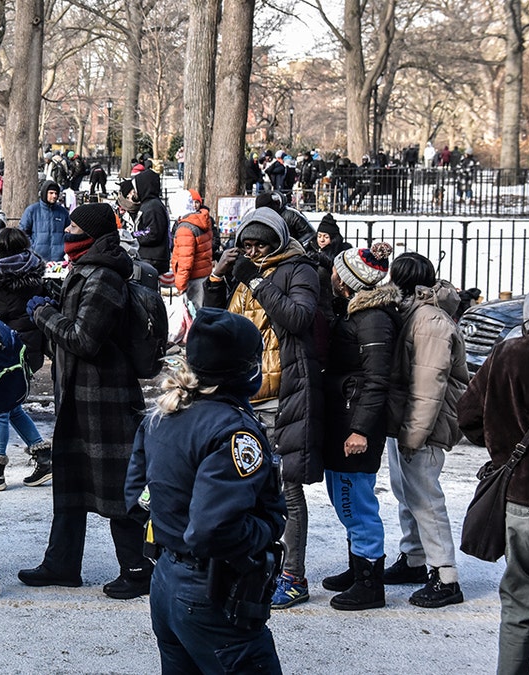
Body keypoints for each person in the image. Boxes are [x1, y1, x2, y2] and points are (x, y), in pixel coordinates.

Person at [128, 307, 286, 673]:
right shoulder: (232, 431)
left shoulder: (164, 414)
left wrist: (171, 526)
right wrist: (268, 527)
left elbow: (138, 498)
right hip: (208, 591)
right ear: (246, 369)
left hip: (167, 581)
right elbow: (212, 530)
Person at [19, 203, 150, 600]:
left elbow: (83, 338)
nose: (67, 232)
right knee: (71, 483)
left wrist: (44, 315)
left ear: (92, 235)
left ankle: (138, 568)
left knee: (118, 488)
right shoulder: (84, 269)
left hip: (105, 400)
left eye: (74, 227)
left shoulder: (105, 276)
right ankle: (61, 563)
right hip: (79, 397)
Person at [206, 206, 323, 610]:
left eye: (260, 245)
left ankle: (293, 576)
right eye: (247, 245)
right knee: (243, 486)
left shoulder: (298, 269)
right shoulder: (244, 272)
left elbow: (297, 317)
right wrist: (218, 276)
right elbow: (215, 323)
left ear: (277, 241)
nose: (253, 252)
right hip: (242, 396)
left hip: (281, 395)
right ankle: (256, 567)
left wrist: (255, 280)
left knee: (285, 488)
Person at [459, 269, 529, 675]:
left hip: (521, 499)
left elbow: (468, 416)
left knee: (518, 605)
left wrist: (504, 446)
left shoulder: (509, 354)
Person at [383, 252, 468, 608]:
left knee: (426, 498)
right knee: (407, 492)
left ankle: (445, 575)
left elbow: (428, 385)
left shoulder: (430, 320)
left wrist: (414, 436)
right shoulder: (413, 312)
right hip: (408, 420)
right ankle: (415, 558)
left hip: (425, 424)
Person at [319, 243, 397, 611]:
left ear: (348, 281)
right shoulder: (355, 312)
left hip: (356, 425)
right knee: (343, 499)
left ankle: (370, 583)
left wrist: (361, 430)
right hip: (343, 417)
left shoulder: (373, 319)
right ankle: (358, 566)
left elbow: (377, 380)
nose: (332, 276)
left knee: (356, 504)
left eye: (337, 271)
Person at [0, 228, 52, 491]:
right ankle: (43, 456)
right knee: (12, 406)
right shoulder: (35, 275)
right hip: (30, 353)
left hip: (8, 357)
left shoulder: (0, 283)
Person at [169, 188, 215, 308]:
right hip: (203, 274)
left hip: (193, 278)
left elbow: (185, 261)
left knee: (193, 313)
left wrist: (181, 285)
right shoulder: (201, 220)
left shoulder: (185, 228)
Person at [19, 180, 70, 263]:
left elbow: (69, 232)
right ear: (44, 193)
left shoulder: (63, 212)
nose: (54, 196)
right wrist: (32, 247)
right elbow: (23, 232)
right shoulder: (32, 210)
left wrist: (64, 249)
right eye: (51, 193)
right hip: (37, 259)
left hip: (58, 259)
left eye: (56, 193)